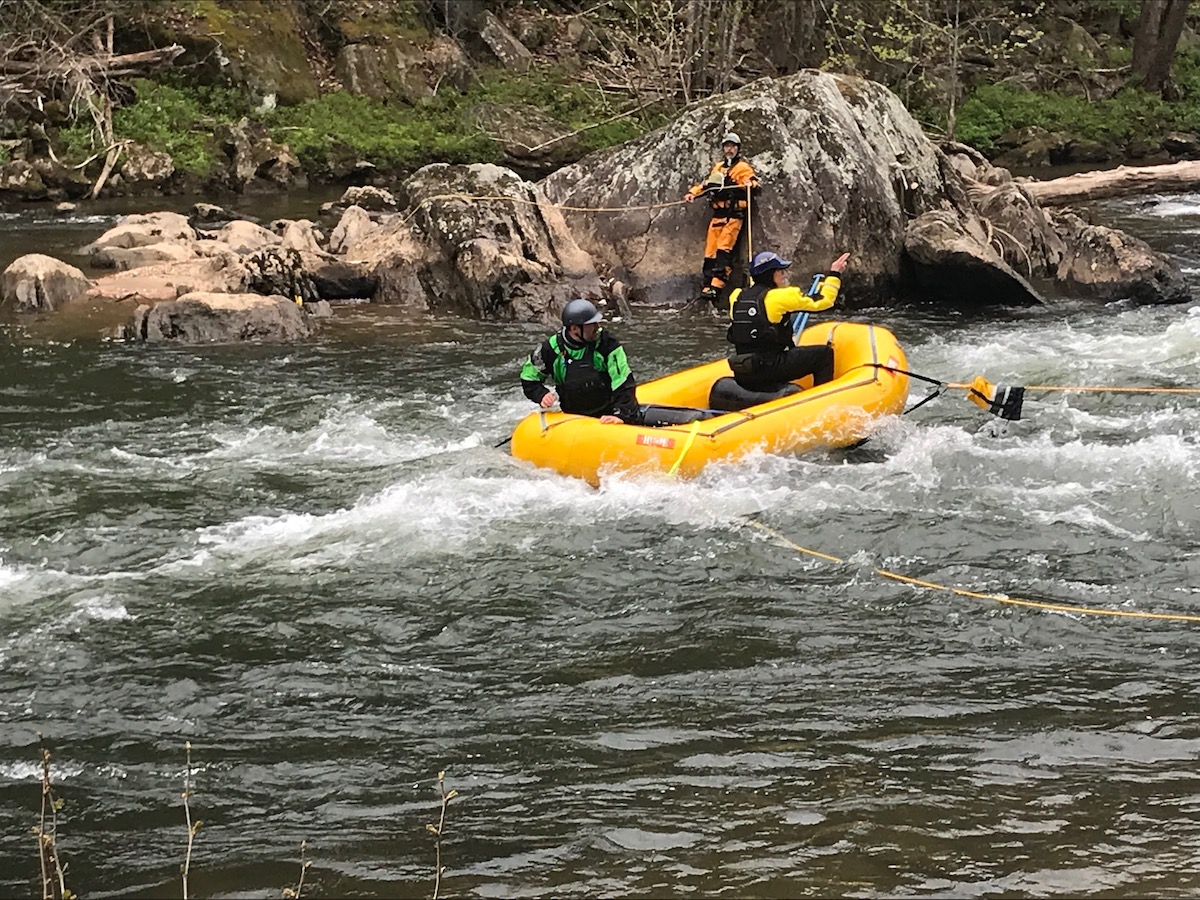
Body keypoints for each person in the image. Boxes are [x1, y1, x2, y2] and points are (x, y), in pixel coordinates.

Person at [725, 250, 850, 392]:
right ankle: (822, 400)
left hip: (743, 370)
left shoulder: (736, 296)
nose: (784, 276)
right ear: (770, 275)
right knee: (824, 354)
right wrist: (834, 273)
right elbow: (824, 301)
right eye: (780, 272)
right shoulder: (780, 296)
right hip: (770, 368)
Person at [520, 298, 641, 425]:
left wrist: (623, 414)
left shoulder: (607, 344)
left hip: (607, 414)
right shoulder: (550, 349)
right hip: (572, 418)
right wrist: (541, 394)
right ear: (574, 329)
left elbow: (623, 381)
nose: (597, 327)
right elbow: (529, 379)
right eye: (591, 324)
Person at [683, 131, 759, 307]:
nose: (729, 149)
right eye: (727, 146)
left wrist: (750, 184)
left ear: (737, 149)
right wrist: (692, 193)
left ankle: (717, 285)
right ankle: (707, 284)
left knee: (724, 249)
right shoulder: (718, 168)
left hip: (733, 216)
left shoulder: (742, 168)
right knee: (710, 252)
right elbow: (706, 184)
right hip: (718, 216)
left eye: (732, 146)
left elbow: (752, 181)